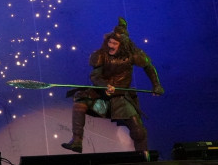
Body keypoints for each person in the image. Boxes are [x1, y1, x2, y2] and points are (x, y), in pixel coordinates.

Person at [61, 17, 164, 153]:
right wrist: (105, 86)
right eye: (110, 41)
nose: (111, 45)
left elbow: (148, 67)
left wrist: (156, 85)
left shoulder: (133, 54)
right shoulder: (101, 55)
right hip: (102, 94)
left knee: (138, 131)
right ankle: (77, 141)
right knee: (80, 101)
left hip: (121, 97)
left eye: (115, 43)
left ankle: (143, 156)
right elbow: (95, 76)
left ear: (123, 45)